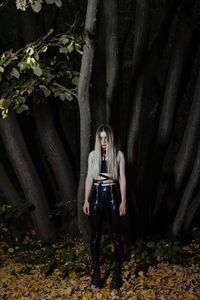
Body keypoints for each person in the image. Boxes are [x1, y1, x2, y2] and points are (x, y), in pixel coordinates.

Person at [82, 124, 126, 290]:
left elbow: (122, 179)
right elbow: (88, 178)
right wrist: (86, 200)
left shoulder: (118, 155)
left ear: (110, 138)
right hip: (97, 196)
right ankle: (96, 274)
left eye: (106, 138)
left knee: (116, 237)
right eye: (100, 138)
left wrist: (124, 201)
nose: (103, 141)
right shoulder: (93, 155)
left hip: (113, 195)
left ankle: (117, 274)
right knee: (95, 237)